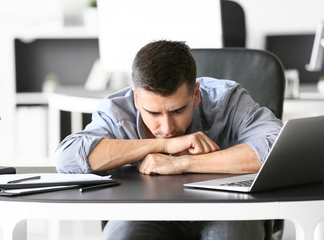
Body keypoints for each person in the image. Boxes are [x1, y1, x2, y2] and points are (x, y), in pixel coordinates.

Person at [55, 40, 283, 240]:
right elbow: (67, 159)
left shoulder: (226, 100)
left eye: (177, 110)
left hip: (227, 209)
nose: (166, 127)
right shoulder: (117, 111)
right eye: (153, 113)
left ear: (195, 93)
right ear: (136, 98)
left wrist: (181, 163)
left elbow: (277, 148)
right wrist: (162, 145)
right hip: (147, 211)